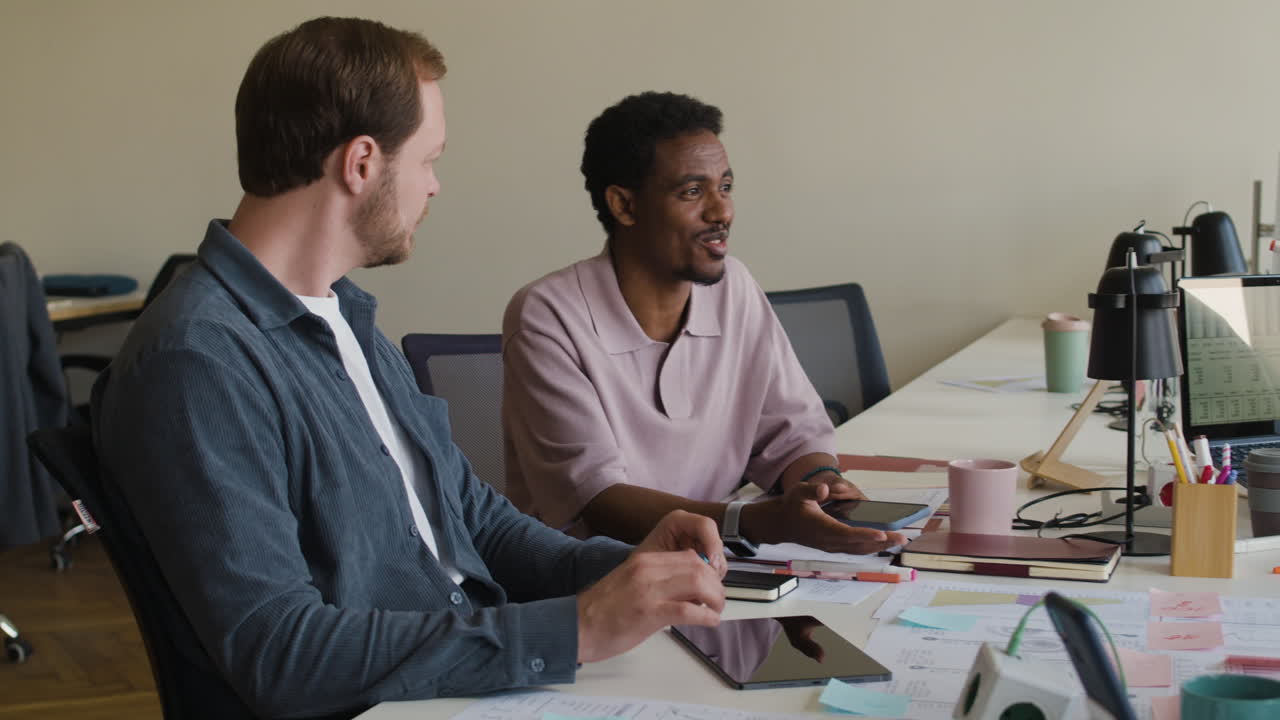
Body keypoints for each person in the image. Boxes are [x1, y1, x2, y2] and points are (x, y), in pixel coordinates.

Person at [92, 20, 725, 719]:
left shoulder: (346, 320)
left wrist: (624, 569)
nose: (435, 187)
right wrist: (572, 629)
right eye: (428, 160)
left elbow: (472, 520)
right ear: (361, 162)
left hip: (463, 686)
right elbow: (278, 652)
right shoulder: (197, 362)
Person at [502, 92, 906, 556]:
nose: (722, 212)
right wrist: (756, 522)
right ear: (624, 205)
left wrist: (820, 485)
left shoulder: (733, 286)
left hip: (725, 573)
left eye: (726, 187)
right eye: (693, 192)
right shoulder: (548, 314)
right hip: (600, 587)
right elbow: (597, 500)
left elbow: (791, 432)